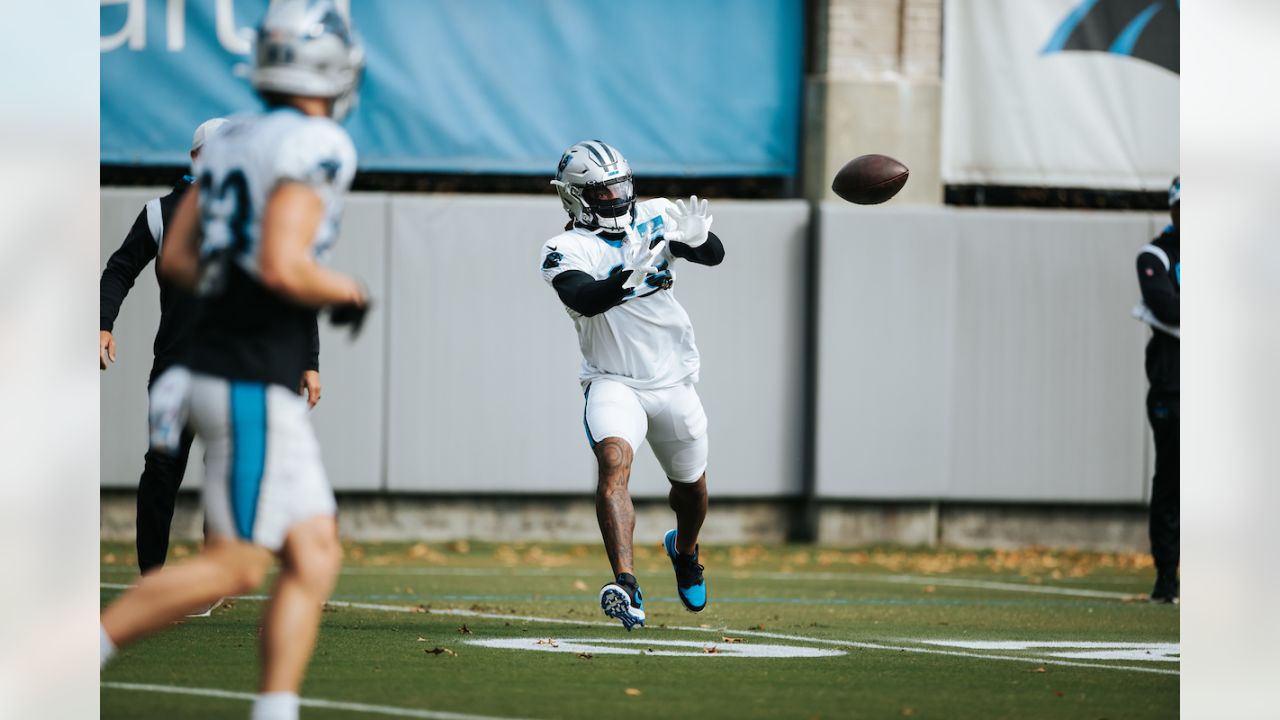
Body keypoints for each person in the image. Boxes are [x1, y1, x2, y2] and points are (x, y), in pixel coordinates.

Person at [100, 3, 367, 718]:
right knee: (236, 562)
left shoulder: (229, 139)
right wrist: (345, 288)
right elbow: (285, 265)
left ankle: (273, 708)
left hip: (222, 361)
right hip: (250, 372)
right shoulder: (320, 143)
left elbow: (182, 258)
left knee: (313, 551)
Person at [101, 119, 324, 580]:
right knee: (162, 471)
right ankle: (152, 578)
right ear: (196, 157)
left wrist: (309, 359)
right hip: (175, 371)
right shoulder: (161, 213)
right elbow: (119, 270)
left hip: (238, 369)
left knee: (228, 473)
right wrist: (103, 324)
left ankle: (211, 575)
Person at [540, 140, 725, 630]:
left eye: (621, 187)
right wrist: (626, 278)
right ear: (576, 197)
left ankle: (684, 551)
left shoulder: (656, 215)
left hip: (673, 381)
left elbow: (712, 256)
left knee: (693, 490)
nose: (616, 198)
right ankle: (626, 583)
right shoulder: (563, 249)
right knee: (613, 462)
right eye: (603, 192)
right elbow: (586, 296)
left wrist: (698, 238)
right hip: (613, 380)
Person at [1134, 175, 1179, 603]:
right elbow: (1168, 306)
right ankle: (1167, 576)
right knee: (1172, 481)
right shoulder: (1156, 254)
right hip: (1173, 387)